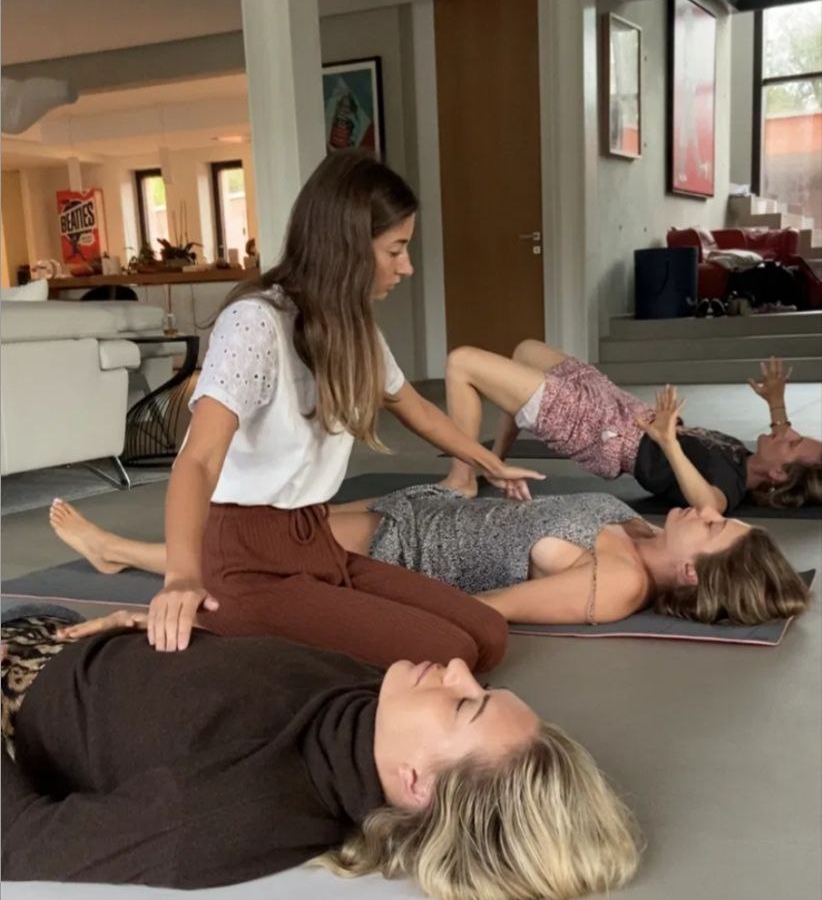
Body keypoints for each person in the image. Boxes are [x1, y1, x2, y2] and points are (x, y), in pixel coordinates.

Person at [145, 150, 540, 663]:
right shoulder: (255, 322)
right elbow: (198, 459)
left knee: (487, 632)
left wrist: (491, 463)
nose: (407, 267)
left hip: (318, 543)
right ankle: (227, 627)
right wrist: (181, 577)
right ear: (348, 246)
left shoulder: (353, 329)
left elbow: (416, 408)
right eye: (395, 250)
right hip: (245, 564)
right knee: (450, 652)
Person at [0, 607, 640, 900]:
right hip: (62, 631)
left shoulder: (229, 815)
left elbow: (19, 841)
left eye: (463, 705)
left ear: (417, 783)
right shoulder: (374, 704)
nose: (457, 670)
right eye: (482, 689)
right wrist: (143, 634)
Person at [51, 416, 809, 628]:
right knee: (261, 526)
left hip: (406, 550)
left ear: (692, 572)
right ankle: (129, 550)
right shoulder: (637, 534)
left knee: (249, 549)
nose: (704, 514)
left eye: (714, 529)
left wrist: (360, 608)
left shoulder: (616, 584)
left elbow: (483, 610)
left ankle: (118, 551)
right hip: (429, 511)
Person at [440, 343, 822, 515]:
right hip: (614, 403)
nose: (788, 431)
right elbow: (784, 438)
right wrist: (776, 404)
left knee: (461, 362)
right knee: (525, 350)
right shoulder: (744, 457)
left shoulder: (729, 485)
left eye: (794, 442)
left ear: (778, 475)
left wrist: (669, 442)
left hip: (596, 428)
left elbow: (708, 507)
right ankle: (494, 460)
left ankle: (462, 478)